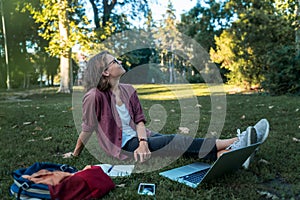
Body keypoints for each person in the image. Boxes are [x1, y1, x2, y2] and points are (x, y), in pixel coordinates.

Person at [64, 51, 269, 169]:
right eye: (114, 61)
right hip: (124, 147)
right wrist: (75, 154)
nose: (119, 61)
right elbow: (87, 128)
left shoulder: (128, 89)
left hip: (140, 137)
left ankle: (232, 156)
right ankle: (237, 142)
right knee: (175, 141)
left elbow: (139, 120)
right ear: (106, 72)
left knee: (177, 148)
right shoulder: (93, 96)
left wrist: (144, 142)